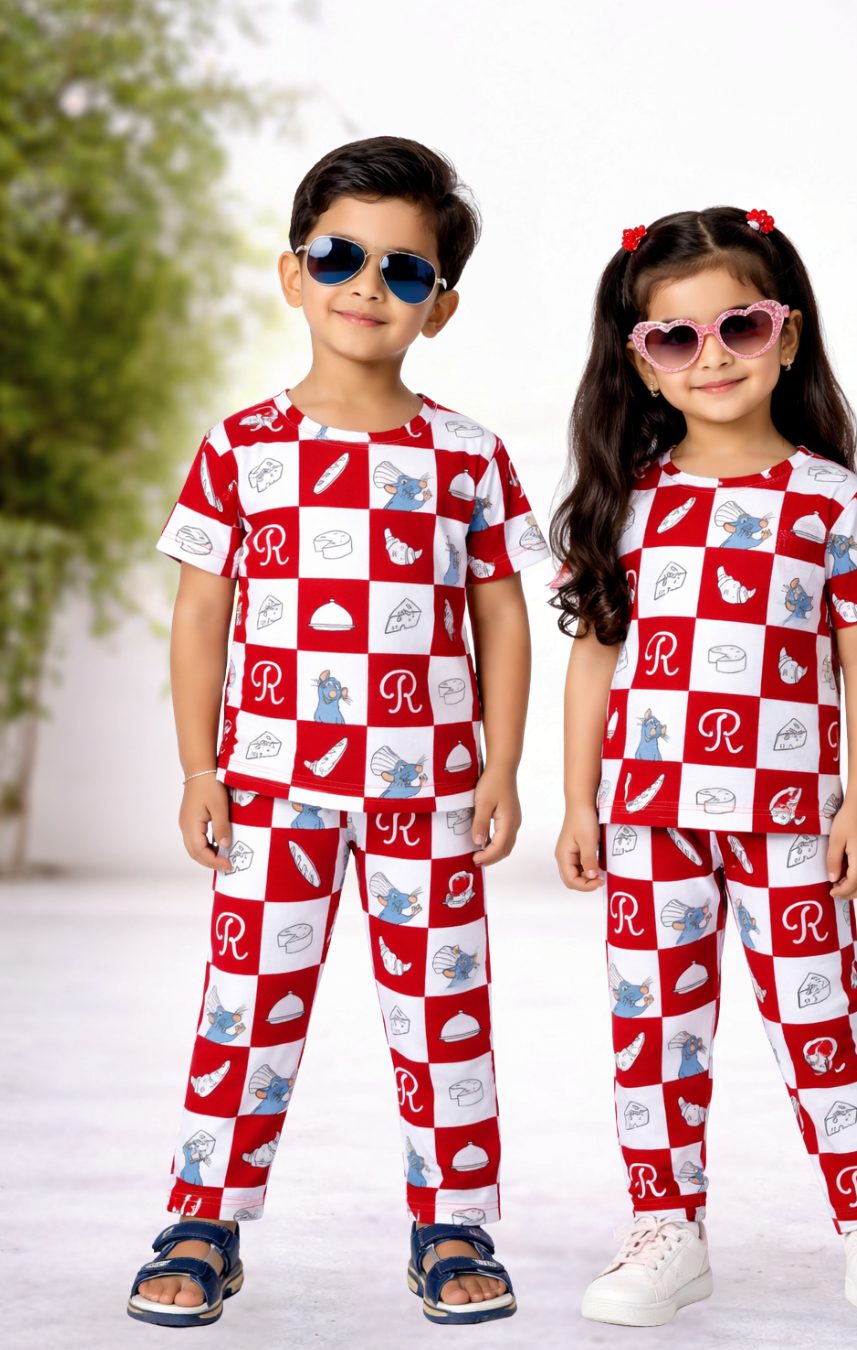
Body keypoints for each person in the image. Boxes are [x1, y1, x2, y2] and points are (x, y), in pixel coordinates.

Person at [126, 137, 548, 1329]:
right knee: (247, 1000)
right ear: (292, 273)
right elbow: (201, 611)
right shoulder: (241, 446)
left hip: (432, 790)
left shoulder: (468, 456)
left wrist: (503, 767)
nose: (368, 286)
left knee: (444, 1011)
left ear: (440, 306)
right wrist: (199, 765)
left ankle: (453, 1222)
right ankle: (203, 1217)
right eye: (339, 257)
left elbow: (501, 614)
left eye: (404, 271)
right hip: (271, 785)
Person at [551, 207, 857, 1332]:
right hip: (648, 819)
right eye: (675, 338)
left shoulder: (831, 499)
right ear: (643, 363)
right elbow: (595, 658)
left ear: (787, 333)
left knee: (824, 1025)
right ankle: (664, 1228)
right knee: (654, 1032)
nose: (712, 356)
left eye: (739, 326)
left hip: (789, 819)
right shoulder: (628, 498)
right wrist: (577, 799)